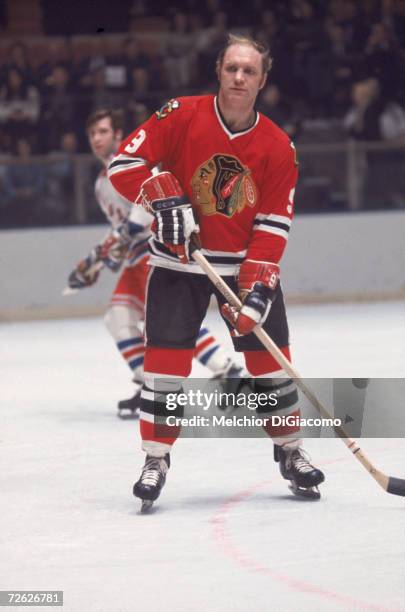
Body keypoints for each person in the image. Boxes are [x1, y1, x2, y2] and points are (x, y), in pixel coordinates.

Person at [107, 34, 325, 509]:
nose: (239, 78)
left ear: (262, 80)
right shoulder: (180, 114)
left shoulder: (277, 147)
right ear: (219, 72)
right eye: (232, 69)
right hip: (177, 264)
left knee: (272, 367)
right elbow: (123, 164)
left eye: (249, 71)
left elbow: (272, 224)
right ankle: (156, 457)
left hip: (241, 270)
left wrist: (259, 292)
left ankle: (291, 451)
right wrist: (159, 192)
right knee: (165, 370)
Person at [67, 108, 245, 418]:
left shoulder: (130, 164)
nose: (97, 138)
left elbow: (147, 210)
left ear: (119, 134)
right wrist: (97, 260)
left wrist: (106, 250)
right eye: (93, 133)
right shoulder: (100, 184)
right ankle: (148, 384)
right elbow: (120, 231)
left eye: (103, 131)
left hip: (157, 254)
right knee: (118, 318)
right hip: (137, 260)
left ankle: (229, 374)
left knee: (165, 323)